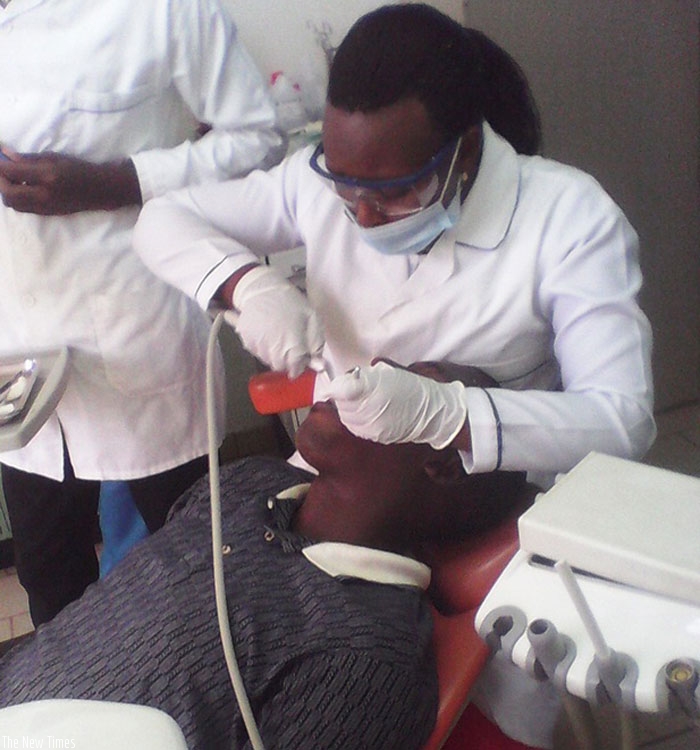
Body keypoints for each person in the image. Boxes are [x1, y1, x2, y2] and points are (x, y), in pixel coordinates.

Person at [131, 5, 655, 745]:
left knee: (427, 697)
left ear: (465, 150)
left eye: (395, 192)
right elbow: (162, 220)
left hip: (482, 487)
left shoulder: (569, 218)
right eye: (345, 188)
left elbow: (622, 420)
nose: (363, 216)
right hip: (343, 475)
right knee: (241, 628)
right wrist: (243, 284)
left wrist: (448, 414)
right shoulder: (321, 184)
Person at [0, 363, 533, 750]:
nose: (361, 375)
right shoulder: (251, 479)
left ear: (440, 461)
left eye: (401, 383)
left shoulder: (367, 654)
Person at [0, 0, 282, 625]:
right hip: (19, 357)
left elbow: (259, 140)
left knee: (195, 576)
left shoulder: (168, 9)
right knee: (50, 584)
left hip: (137, 329)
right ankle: (76, 712)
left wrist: (117, 183)